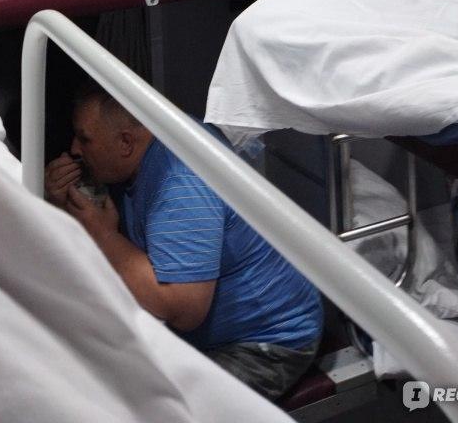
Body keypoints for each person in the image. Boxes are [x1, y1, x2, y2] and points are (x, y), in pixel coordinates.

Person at [45, 84, 323, 402]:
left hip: (266, 344)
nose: (74, 149)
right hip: (209, 332)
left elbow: (183, 308)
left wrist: (102, 235)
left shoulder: (179, 182)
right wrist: (63, 199)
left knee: (145, 407)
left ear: (125, 142)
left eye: (85, 139)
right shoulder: (158, 134)